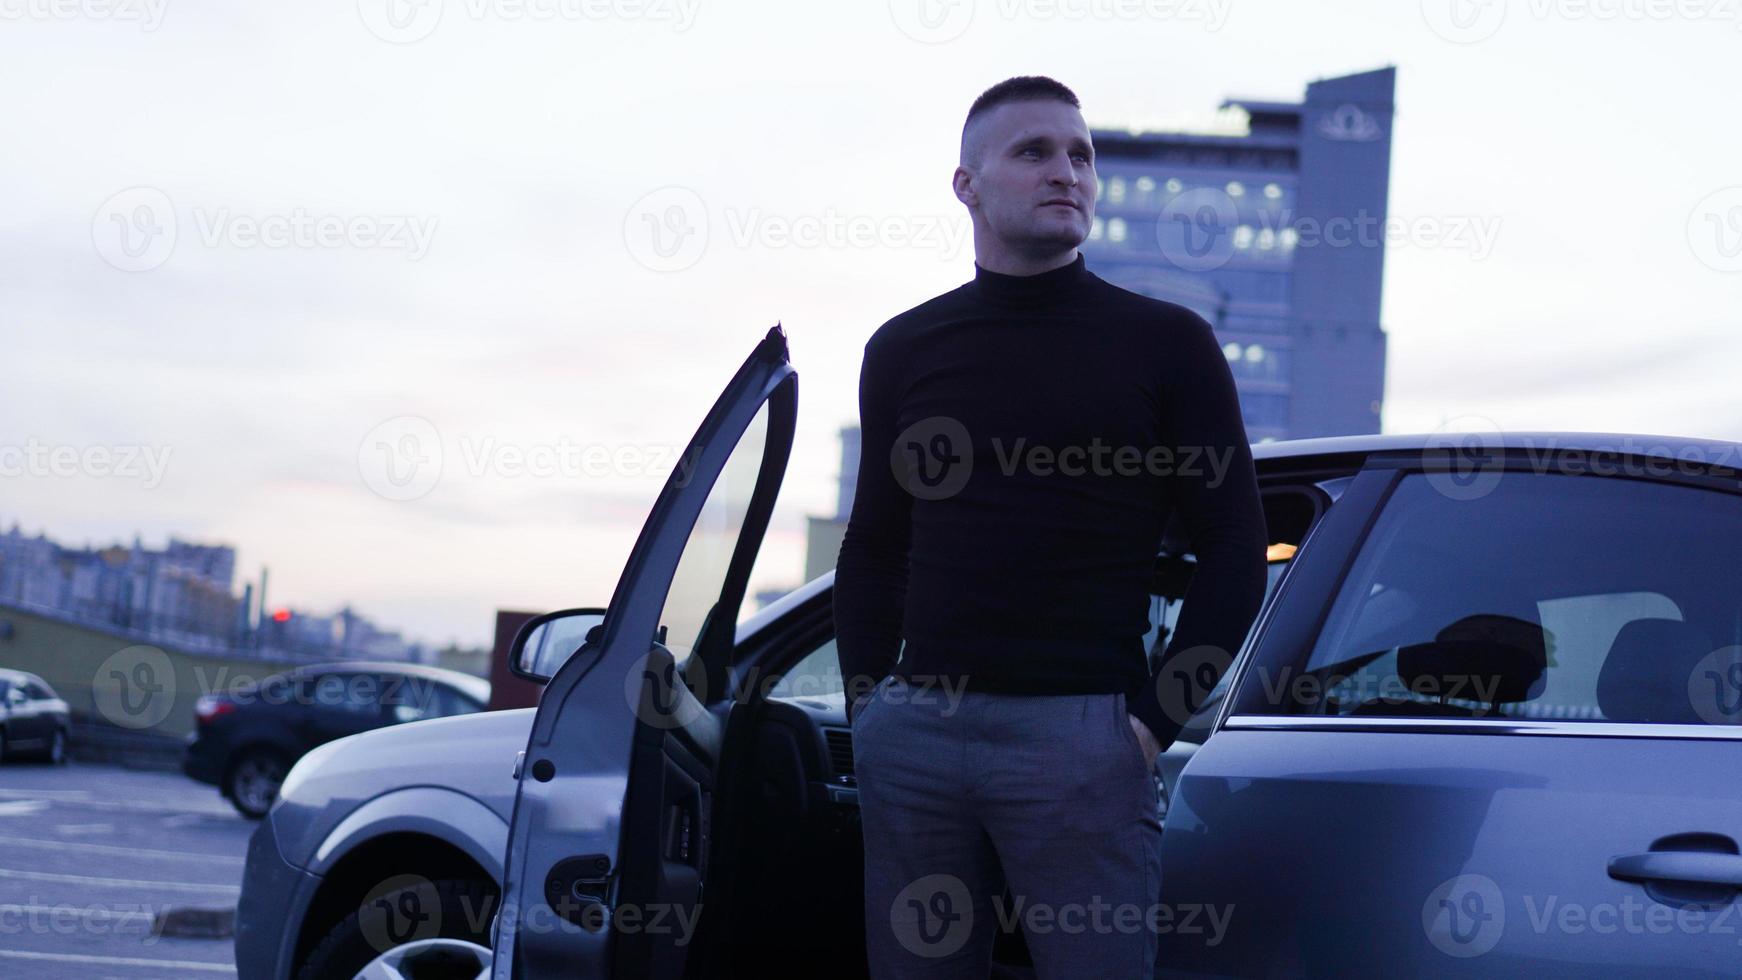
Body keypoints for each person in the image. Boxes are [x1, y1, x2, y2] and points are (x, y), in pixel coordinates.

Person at [833, 75, 1269, 978]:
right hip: (917, 735)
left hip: (1084, 741)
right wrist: (870, 706)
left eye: (1081, 155)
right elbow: (876, 545)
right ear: (968, 185)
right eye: (1034, 152)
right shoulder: (904, 348)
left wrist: (1150, 727)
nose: (1066, 171)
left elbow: (1235, 548)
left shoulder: (1167, 342)